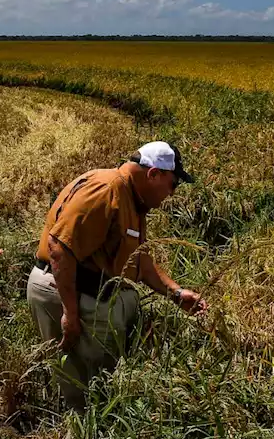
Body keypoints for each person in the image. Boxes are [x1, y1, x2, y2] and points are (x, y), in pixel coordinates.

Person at [27, 140, 207, 410]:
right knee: (90, 397)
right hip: (70, 291)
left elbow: (141, 263)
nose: (171, 194)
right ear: (153, 174)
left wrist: (177, 294)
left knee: (97, 386)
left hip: (88, 293)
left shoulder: (133, 201)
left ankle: (83, 436)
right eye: (173, 184)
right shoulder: (106, 189)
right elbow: (60, 248)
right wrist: (71, 314)